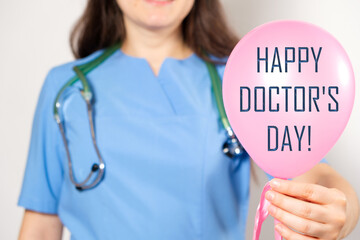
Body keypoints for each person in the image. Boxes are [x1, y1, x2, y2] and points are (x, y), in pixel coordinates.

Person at [18, 0, 359, 239]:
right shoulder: (65, 88)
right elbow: (40, 226)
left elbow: (315, 173)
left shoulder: (243, 78)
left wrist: (337, 212)